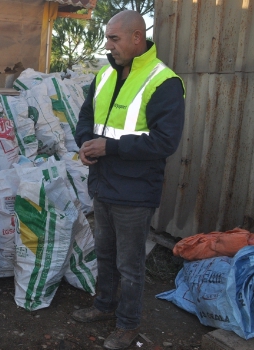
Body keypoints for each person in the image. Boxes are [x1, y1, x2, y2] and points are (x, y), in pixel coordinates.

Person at [72, 10, 185, 350]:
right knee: (105, 254)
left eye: (114, 38)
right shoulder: (105, 76)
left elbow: (165, 141)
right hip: (104, 183)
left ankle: (128, 325)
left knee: (130, 264)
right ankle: (104, 307)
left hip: (135, 191)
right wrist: (85, 145)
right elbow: (86, 117)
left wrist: (110, 147)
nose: (108, 45)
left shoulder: (164, 81)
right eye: (107, 38)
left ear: (138, 38)